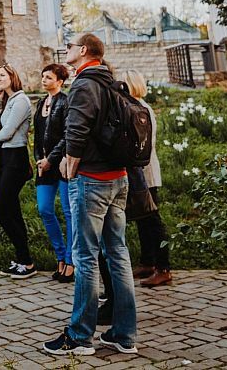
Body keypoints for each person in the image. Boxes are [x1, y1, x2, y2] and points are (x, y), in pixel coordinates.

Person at [43, 33, 138, 357]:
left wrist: (69, 164)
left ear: (83, 51)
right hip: (119, 179)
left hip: (93, 180)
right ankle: (124, 335)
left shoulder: (85, 83)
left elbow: (77, 129)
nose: (66, 50)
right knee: (118, 253)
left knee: (85, 256)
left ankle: (80, 336)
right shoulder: (111, 81)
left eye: (70, 46)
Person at [118, 70, 172, 288]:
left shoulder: (141, 110)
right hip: (140, 171)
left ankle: (164, 267)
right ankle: (148, 262)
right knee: (142, 219)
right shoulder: (135, 108)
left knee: (152, 220)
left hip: (146, 172)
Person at [0, 64, 35, 279]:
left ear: (12, 77)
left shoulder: (21, 101)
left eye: (2, 75)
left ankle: (26, 259)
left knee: (2, 211)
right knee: (13, 210)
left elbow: (5, 133)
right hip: (1, 156)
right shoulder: (6, 100)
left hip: (15, 157)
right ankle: (23, 261)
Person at [33, 63, 74, 282]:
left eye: (48, 77)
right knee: (45, 209)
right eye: (43, 76)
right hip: (44, 165)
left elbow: (67, 135)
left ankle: (70, 260)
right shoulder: (41, 103)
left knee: (69, 213)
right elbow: (38, 136)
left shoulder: (66, 102)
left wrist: (52, 159)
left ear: (59, 81)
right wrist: (39, 159)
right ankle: (59, 256)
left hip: (62, 165)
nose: (44, 80)